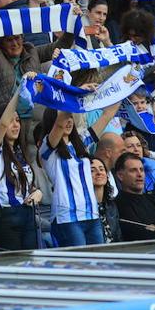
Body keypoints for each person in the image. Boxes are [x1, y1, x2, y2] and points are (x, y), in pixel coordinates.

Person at [37, 97, 118, 248]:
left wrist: (127, 84)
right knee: (79, 265)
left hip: (92, 215)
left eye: (71, 118)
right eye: (65, 117)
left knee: (98, 263)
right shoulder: (47, 149)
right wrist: (74, 95)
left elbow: (107, 115)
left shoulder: (81, 143)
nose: (68, 121)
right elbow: (60, 123)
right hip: (67, 219)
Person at [0, 74, 41, 251]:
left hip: (27, 214)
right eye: (11, 121)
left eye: (18, 121)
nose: (15, 125)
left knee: (32, 268)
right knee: (14, 271)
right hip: (5, 217)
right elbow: (2, 124)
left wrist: (37, 194)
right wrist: (19, 90)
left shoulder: (20, 152)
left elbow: (29, 186)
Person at [114, 152, 155, 241]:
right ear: (120, 176)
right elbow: (141, 236)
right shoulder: (120, 204)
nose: (139, 174)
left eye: (141, 169)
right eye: (133, 170)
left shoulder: (151, 197)